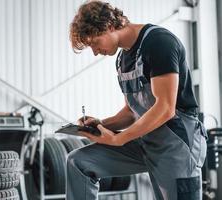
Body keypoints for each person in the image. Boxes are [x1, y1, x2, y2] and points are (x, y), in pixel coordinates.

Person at [67, 1, 207, 200]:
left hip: (177, 144)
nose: (95, 52)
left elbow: (165, 108)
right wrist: (99, 124)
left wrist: (119, 139)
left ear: (108, 26)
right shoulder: (122, 59)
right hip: (145, 141)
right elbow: (131, 112)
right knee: (78, 161)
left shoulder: (159, 42)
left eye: (95, 43)